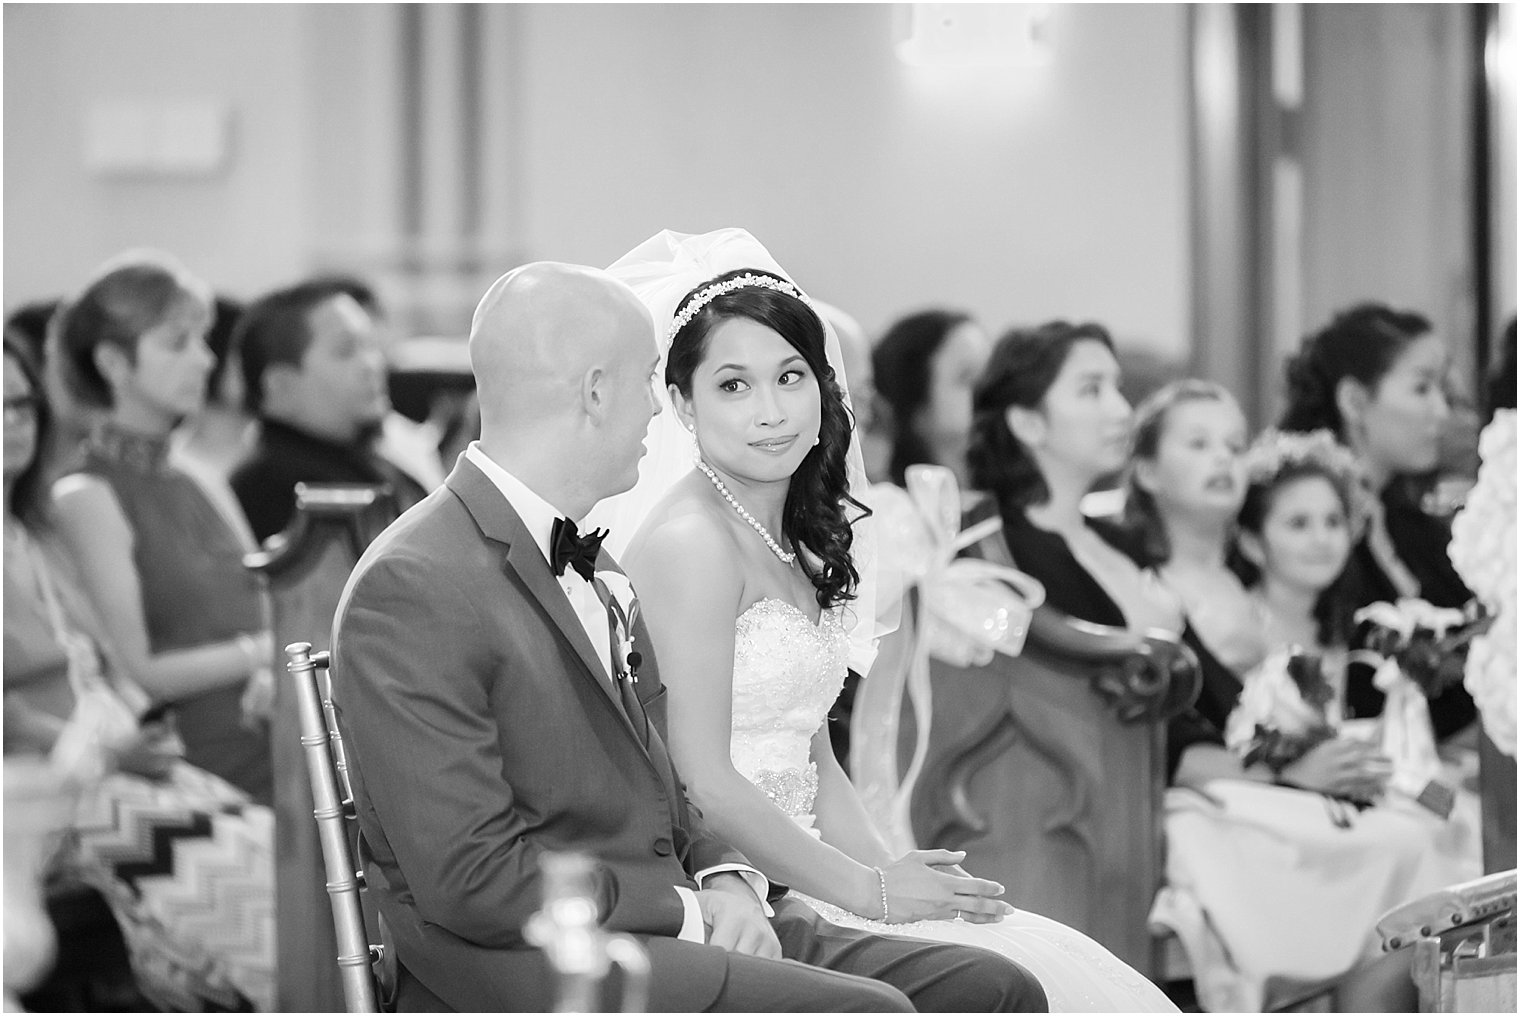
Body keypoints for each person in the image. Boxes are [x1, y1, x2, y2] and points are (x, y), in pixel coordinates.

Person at [328, 256, 1047, 1013]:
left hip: (664, 911)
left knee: (993, 988)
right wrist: (690, 909)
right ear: (596, 392)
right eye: (646, 382)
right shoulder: (415, 584)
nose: (654, 414)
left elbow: (664, 776)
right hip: (530, 962)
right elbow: (471, 883)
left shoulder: (588, 555)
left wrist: (723, 874)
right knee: (875, 1011)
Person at [609, 228, 1173, 1013]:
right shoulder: (690, 544)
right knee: (1018, 982)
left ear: (824, 388)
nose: (770, 412)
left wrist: (902, 877)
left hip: (816, 866)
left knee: (1041, 955)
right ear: (681, 402)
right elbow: (702, 777)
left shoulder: (790, 535)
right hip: (737, 880)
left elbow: (818, 766)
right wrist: (870, 891)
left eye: (790, 377)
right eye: (733, 386)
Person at [1124, 380, 1478, 1012]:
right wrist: (1296, 766)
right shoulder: (1145, 587)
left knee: (1447, 823)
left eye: (1234, 444)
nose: (1222, 460)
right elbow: (1187, 731)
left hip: (1286, 780)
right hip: (1223, 790)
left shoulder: (1260, 599)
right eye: (1199, 443)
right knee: (1414, 842)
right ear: (1146, 468)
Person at [3, 332, 275, 1011]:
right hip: (36, 787)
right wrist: (99, 751)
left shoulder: (37, 530)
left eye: (22, 404)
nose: (13, 420)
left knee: (280, 851)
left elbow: (107, 666)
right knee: (239, 887)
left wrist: (139, 731)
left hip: (108, 762)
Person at [47, 252, 276, 805]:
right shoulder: (87, 495)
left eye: (202, 340)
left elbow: (265, 605)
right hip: (188, 762)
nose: (204, 361)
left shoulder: (199, 475)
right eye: (178, 343)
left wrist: (273, 666)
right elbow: (140, 670)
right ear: (113, 362)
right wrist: (261, 655)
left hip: (269, 723)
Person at [1279, 303, 1477, 740]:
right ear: (1354, 401)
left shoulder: (1412, 524)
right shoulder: (1306, 534)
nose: (1442, 412)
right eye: (1422, 388)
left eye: (1443, 391)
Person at [229, 280, 427, 543]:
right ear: (281, 385)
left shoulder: (365, 458)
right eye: (346, 351)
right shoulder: (274, 491)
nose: (372, 364)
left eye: (370, 345)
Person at [873, 309, 991, 488]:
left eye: (991, 374)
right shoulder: (888, 507)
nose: (988, 389)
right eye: (967, 377)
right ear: (914, 401)